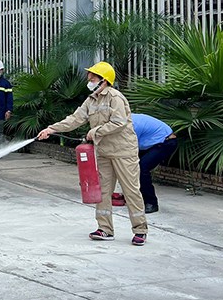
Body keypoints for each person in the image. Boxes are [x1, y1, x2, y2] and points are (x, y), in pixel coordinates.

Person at [37, 61, 149, 246]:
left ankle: (140, 230)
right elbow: (75, 119)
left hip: (123, 152)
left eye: (93, 76)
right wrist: (51, 129)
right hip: (104, 151)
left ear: (104, 80)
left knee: (131, 190)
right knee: (103, 191)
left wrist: (94, 132)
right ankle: (105, 229)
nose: (89, 79)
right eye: (90, 75)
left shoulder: (116, 98)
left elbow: (119, 122)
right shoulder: (91, 100)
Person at [132, 113, 177, 214]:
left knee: (142, 167)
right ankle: (134, 197)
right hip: (152, 144)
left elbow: (131, 147)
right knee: (132, 166)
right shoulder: (125, 119)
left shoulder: (132, 125)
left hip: (166, 142)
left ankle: (151, 203)